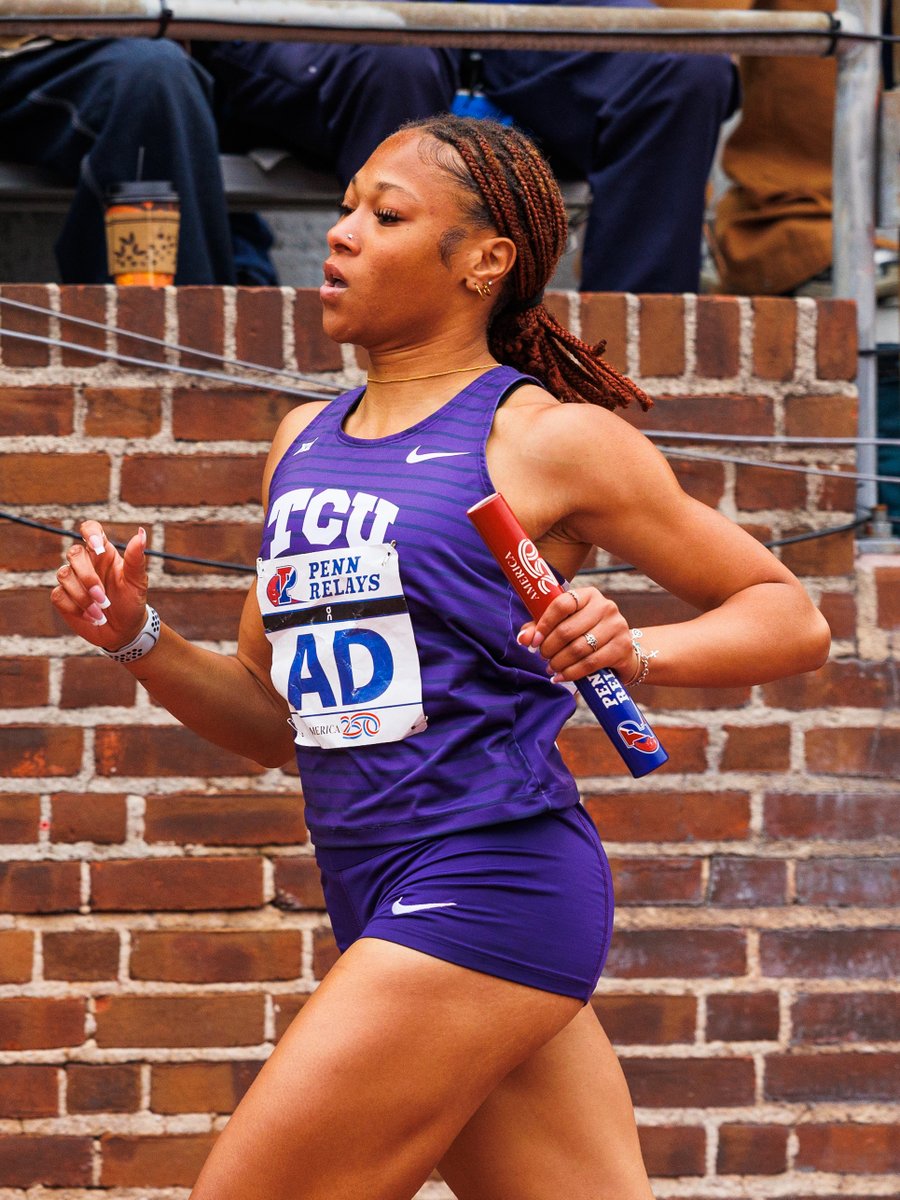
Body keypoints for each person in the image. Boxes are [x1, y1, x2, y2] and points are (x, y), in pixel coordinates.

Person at [51, 115, 830, 1200]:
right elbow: (277, 725)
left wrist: (633, 646)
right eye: (344, 207)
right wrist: (136, 636)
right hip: (371, 882)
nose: (340, 235)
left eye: (386, 214)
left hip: (491, 875)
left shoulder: (544, 438)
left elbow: (789, 616)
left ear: (484, 262)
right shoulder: (300, 444)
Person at [469, 0, 740, 293]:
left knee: (690, 64)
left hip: (554, 13)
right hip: (426, 19)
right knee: (412, 49)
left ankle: (633, 321)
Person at [0, 37, 238, 284]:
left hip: (122, 42)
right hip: (21, 51)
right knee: (152, 79)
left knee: (162, 77)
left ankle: (179, 311)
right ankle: (152, 313)